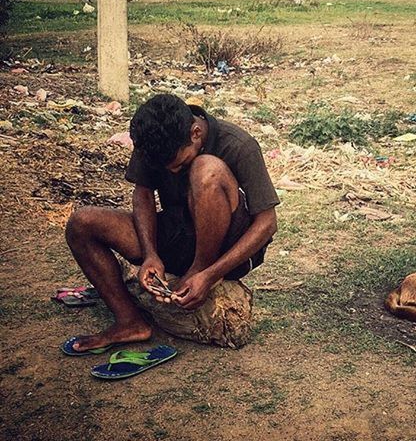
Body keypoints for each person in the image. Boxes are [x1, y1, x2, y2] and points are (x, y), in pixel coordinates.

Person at [64, 94, 279, 353]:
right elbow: (143, 193)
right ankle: (130, 322)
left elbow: (267, 224)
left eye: (180, 164)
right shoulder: (154, 139)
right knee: (82, 222)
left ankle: (200, 269)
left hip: (225, 249)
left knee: (206, 169)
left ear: (196, 133)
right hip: (177, 234)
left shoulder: (239, 145)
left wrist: (207, 274)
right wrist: (151, 254)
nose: (175, 172)